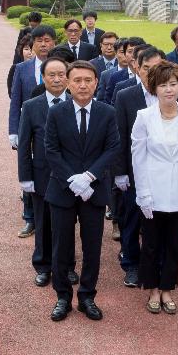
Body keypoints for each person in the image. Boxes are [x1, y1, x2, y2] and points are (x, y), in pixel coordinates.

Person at [112, 45, 178, 288]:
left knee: (160, 228)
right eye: (146, 68)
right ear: (137, 68)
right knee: (131, 221)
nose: (151, 73)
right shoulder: (125, 95)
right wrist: (120, 172)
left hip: (168, 179)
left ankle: (160, 268)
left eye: (156, 68)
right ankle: (131, 264)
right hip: (133, 173)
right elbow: (120, 135)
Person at [43, 60, 120, 322]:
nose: (83, 85)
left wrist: (88, 177)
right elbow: (51, 150)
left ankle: (87, 296)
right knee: (61, 246)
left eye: (88, 80)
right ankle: (62, 297)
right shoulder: (56, 112)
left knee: (92, 246)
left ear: (96, 82)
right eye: (77, 80)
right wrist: (71, 179)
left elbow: (112, 148)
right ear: (68, 83)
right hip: (62, 190)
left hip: (94, 190)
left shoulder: (107, 113)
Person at [131, 61, 178, 315]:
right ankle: (151, 287)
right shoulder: (144, 117)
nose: (169, 90)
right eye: (163, 85)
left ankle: (167, 287)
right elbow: (138, 158)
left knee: (175, 242)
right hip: (153, 189)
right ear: (154, 88)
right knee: (151, 242)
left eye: (173, 84)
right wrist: (143, 193)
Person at [17, 58, 70, 287]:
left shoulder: (76, 103)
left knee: (66, 224)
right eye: (52, 75)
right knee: (43, 222)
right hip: (41, 175)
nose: (57, 79)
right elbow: (24, 144)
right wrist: (25, 178)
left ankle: (67, 266)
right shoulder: (32, 106)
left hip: (69, 176)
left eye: (61, 74)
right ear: (43, 78)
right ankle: (43, 265)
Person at [9, 25, 56, 237]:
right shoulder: (22, 68)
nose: (44, 44)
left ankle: (54, 216)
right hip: (29, 128)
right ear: (32, 44)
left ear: (54, 43)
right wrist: (13, 130)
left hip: (56, 130)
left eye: (48, 40)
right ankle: (29, 218)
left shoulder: (62, 69)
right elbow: (15, 101)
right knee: (28, 170)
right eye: (39, 41)